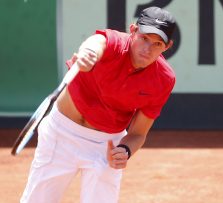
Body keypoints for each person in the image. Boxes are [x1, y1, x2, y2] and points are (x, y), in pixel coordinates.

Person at [21, 6, 176, 203]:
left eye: (157, 44)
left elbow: (138, 134)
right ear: (133, 30)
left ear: (167, 47)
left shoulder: (164, 79)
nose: (147, 49)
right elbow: (96, 42)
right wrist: (88, 54)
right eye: (144, 38)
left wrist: (125, 151)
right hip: (60, 134)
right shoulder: (113, 43)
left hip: (106, 146)